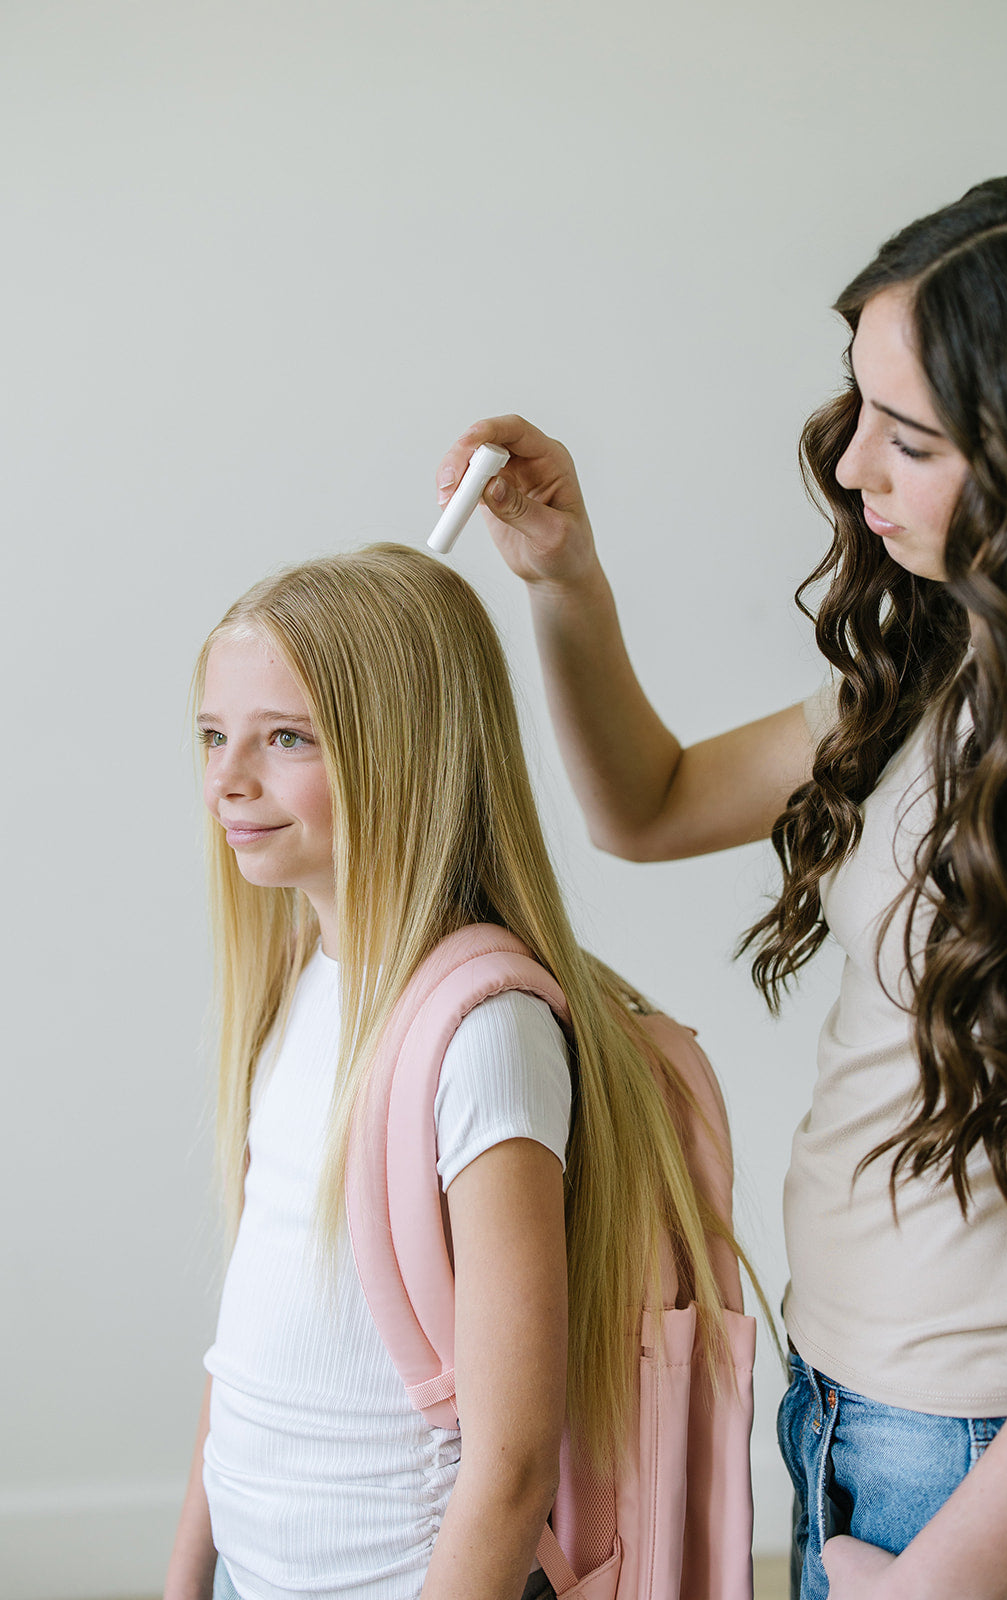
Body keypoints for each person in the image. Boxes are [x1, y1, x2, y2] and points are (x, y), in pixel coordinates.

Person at [434, 171, 1007, 1600]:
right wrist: (563, 578)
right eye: (857, 413)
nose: (850, 471)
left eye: (908, 440)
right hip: (844, 1400)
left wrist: (953, 1573)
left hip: (980, 1458)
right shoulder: (941, 680)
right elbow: (646, 805)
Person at [163, 543, 743, 1600]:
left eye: (284, 737)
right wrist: (185, 1575)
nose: (225, 779)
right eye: (212, 735)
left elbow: (512, 1463)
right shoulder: (295, 987)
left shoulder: (485, 1034)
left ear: (403, 751)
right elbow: (245, 1349)